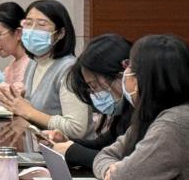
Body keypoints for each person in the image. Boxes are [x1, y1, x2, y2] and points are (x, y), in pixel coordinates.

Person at [93, 34, 189, 180]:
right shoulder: (157, 116)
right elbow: (104, 155)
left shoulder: (176, 122)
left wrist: (116, 174)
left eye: (129, 66)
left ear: (146, 78)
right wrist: (110, 171)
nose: (125, 73)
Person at [0, 0, 90, 138]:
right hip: (40, 145)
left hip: (67, 149)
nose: (32, 30)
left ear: (60, 33)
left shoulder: (69, 69)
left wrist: (28, 111)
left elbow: (76, 128)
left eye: (41, 25)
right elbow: (31, 109)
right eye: (28, 24)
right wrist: (16, 104)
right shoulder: (34, 63)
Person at [42, 33, 134, 169]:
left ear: (121, 75)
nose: (94, 94)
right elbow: (104, 145)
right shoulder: (124, 112)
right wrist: (66, 142)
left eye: (94, 86)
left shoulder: (146, 113)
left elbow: (125, 164)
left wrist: (71, 151)